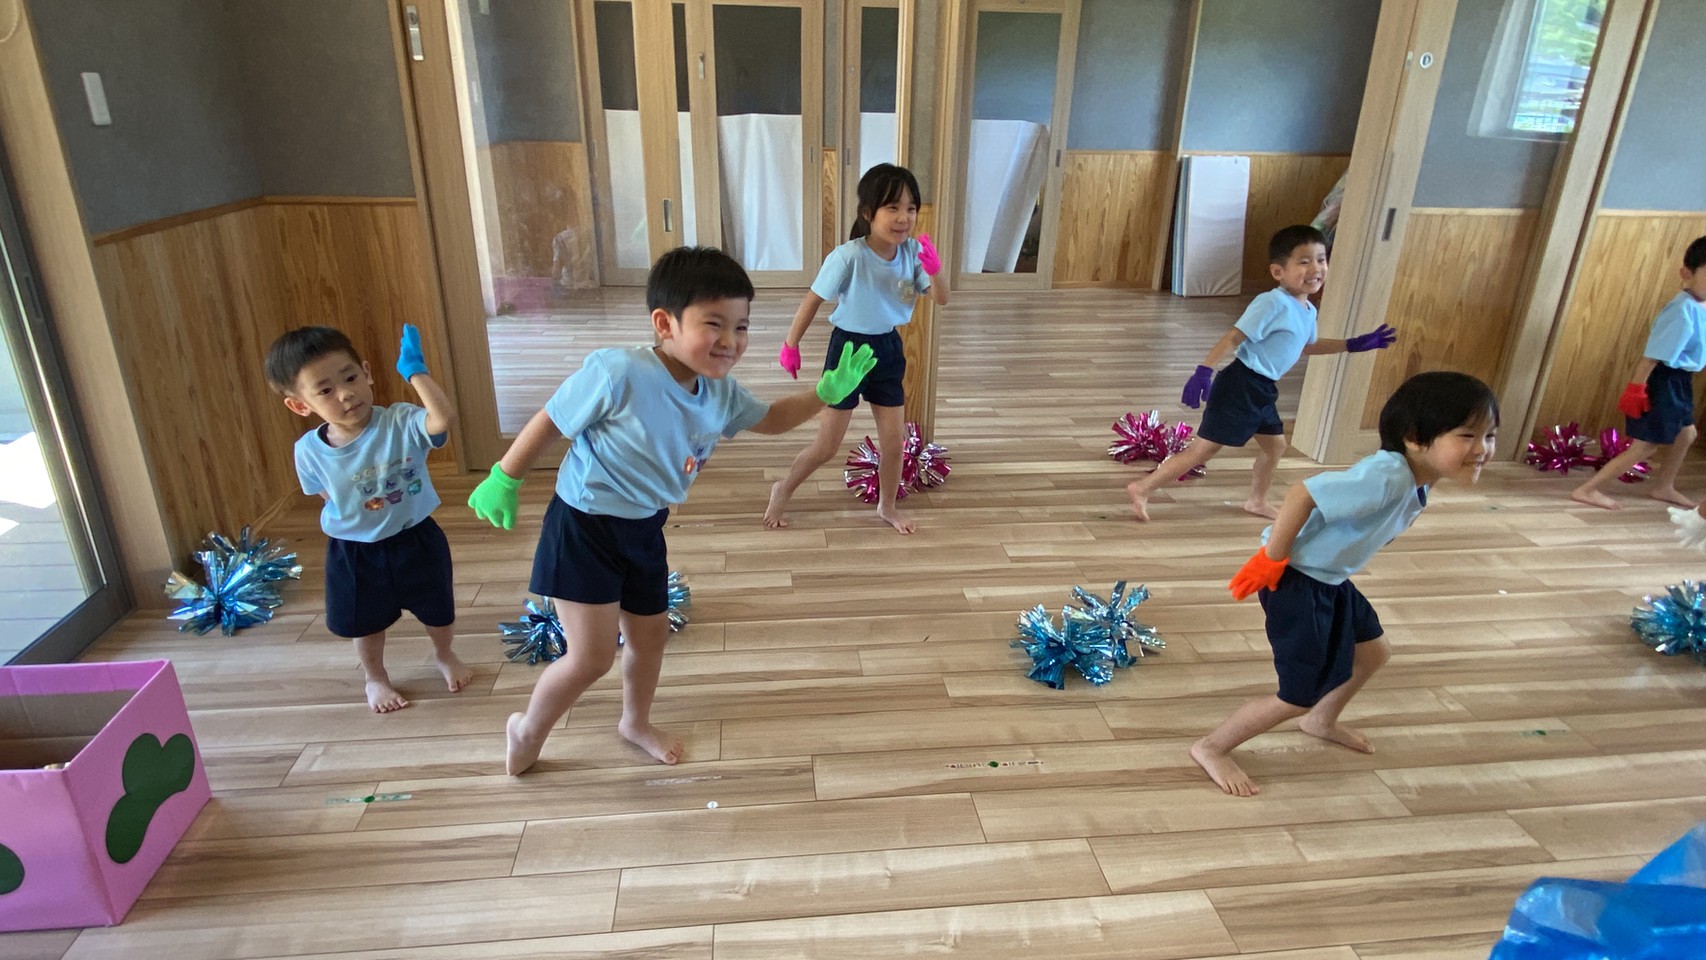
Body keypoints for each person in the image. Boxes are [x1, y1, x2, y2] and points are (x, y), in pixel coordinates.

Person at [466, 246, 877, 775]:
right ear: (665, 324)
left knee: (649, 636)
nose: (731, 340)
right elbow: (553, 418)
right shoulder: (620, 372)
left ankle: (634, 722)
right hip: (584, 527)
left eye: (741, 327)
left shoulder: (719, 392)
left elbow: (771, 418)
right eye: (714, 324)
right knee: (591, 657)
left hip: (644, 527)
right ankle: (527, 729)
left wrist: (824, 394)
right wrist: (506, 476)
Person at [1190, 371, 1499, 797]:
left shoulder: (1418, 480)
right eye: (1467, 435)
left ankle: (1321, 720)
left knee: (1373, 652)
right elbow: (1302, 494)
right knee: (1297, 693)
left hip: (1328, 579)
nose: (1482, 449)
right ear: (1414, 437)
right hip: (1296, 581)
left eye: (1489, 436)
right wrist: (1271, 559)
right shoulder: (1387, 477)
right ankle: (1212, 747)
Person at [1127, 224, 1397, 522]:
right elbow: (1234, 336)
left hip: (1262, 389)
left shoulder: (1307, 310)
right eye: (1304, 261)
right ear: (1278, 271)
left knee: (1275, 446)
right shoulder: (1272, 303)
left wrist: (1351, 345)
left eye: (1321, 259)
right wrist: (1204, 370)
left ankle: (1257, 501)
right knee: (1203, 451)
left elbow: (1306, 346)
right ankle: (1142, 488)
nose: (1316, 268)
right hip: (1240, 385)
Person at [265, 324, 470, 713]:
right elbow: (328, 496)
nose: (345, 394)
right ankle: (375, 677)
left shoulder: (400, 421)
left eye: (350, 378)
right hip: (356, 552)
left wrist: (415, 372)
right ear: (299, 405)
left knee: (439, 611)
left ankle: (444, 654)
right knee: (366, 623)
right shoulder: (308, 451)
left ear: (366, 372)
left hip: (417, 539)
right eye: (325, 390)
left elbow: (442, 420)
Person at [763, 163, 948, 535]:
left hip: (888, 350)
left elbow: (941, 298)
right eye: (893, 208)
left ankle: (887, 506)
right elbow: (813, 300)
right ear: (868, 212)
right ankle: (783, 488)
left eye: (910, 208)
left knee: (894, 443)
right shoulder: (848, 256)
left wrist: (935, 269)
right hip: (848, 352)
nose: (903, 217)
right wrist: (790, 345)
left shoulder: (913, 253)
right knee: (827, 445)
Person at [1571, 235, 1706, 511]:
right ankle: (1587, 489)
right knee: (1645, 446)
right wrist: (1636, 389)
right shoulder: (1681, 311)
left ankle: (1664, 486)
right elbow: (1651, 358)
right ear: (1686, 274)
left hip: (1681, 381)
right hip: (1663, 381)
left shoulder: (1700, 304)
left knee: (1687, 434)